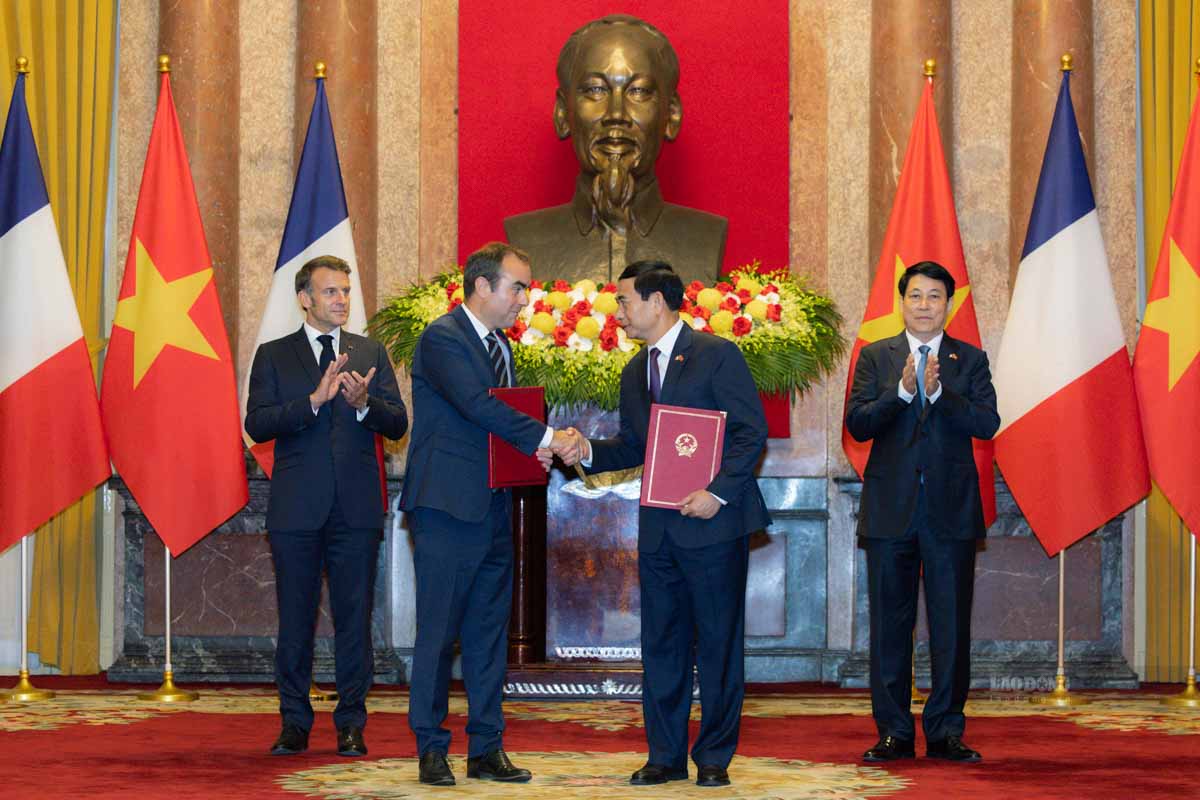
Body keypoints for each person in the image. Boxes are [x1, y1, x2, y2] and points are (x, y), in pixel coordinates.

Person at [550, 261, 769, 788]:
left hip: (714, 525)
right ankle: (664, 756)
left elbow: (749, 434)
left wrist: (717, 492)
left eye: (624, 301)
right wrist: (585, 450)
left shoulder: (717, 355)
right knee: (662, 645)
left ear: (657, 302)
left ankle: (713, 756)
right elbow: (633, 447)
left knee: (717, 643)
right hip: (660, 530)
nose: (618, 311)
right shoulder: (634, 371)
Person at [400, 242, 576, 786]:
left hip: (495, 506)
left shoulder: (501, 344)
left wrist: (537, 450)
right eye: (517, 287)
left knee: (486, 634)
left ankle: (486, 747)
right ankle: (431, 747)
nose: (525, 298)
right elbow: (478, 406)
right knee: (438, 634)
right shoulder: (443, 338)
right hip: (448, 508)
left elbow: (504, 421)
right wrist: (549, 437)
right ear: (482, 286)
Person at [245, 254, 409, 758]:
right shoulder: (274, 355)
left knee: (354, 620)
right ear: (305, 298)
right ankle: (294, 722)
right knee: (294, 621)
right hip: (297, 510)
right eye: (331, 292)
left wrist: (363, 405)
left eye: (345, 291)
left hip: (356, 510)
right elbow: (258, 423)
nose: (341, 300)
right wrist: (314, 401)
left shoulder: (369, 350)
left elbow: (397, 423)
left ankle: (351, 724)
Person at [845, 260, 1000, 765]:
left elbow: (986, 422)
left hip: (950, 514)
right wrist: (905, 393)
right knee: (891, 626)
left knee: (951, 627)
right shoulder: (875, 356)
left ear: (948, 305)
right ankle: (893, 732)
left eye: (935, 296)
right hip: (891, 513)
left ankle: (945, 732)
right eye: (916, 295)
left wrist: (939, 394)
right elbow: (859, 424)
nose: (925, 305)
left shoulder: (969, 359)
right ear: (902, 301)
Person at [504, 14, 726, 285]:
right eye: (596, 90)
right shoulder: (525, 238)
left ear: (671, 115)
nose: (616, 114)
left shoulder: (706, 236)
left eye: (639, 91)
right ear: (563, 113)